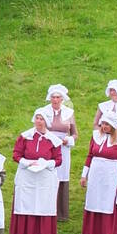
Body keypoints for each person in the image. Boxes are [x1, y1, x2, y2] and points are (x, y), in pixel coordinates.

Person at [10, 112, 63, 234]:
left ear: (46, 121)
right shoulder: (25, 136)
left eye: (42, 119)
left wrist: (46, 163)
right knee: (26, 203)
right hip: (27, 176)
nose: (39, 121)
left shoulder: (53, 140)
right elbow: (16, 154)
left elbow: (58, 160)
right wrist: (27, 162)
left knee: (42, 204)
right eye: (37, 118)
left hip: (44, 178)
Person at [79, 111, 117, 234]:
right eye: (103, 123)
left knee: (111, 204)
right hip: (96, 176)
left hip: (112, 176)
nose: (104, 126)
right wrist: (84, 175)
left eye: (107, 124)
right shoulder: (96, 136)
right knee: (93, 203)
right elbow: (90, 155)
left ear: (113, 125)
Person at [40, 85, 78, 221]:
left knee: (61, 175)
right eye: (53, 97)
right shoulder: (43, 111)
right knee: (48, 174)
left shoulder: (69, 112)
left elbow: (75, 134)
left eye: (58, 97)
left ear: (62, 99)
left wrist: (68, 139)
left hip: (63, 148)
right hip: (48, 147)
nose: (55, 100)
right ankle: (46, 208)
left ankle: (60, 212)